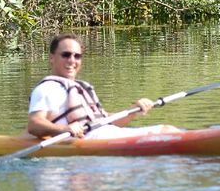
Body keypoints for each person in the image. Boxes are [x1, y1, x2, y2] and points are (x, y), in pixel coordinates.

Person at [26, 33, 178, 139]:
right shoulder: (46, 89)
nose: (72, 60)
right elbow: (34, 124)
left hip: (106, 134)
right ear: (52, 58)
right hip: (83, 141)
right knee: (168, 132)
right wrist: (64, 129)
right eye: (66, 55)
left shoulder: (82, 87)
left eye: (77, 56)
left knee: (170, 130)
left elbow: (106, 120)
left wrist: (132, 111)